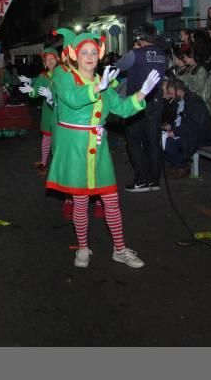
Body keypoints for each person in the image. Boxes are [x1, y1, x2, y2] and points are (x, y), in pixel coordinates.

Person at [46, 33, 161, 269]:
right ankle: (83, 248)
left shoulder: (104, 80)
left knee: (111, 200)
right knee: (80, 202)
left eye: (93, 52)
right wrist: (99, 86)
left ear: (98, 56)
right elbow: (71, 98)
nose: (89, 57)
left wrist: (142, 94)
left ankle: (120, 249)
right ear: (75, 55)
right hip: (75, 149)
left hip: (98, 149)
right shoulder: (63, 75)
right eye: (84, 52)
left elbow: (121, 108)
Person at [115, 24, 168, 192]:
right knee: (153, 141)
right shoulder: (162, 54)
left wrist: (134, 50)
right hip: (157, 100)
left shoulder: (135, 54)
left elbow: (119, 65)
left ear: (140, 38)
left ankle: (141, 180)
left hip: (137, 101)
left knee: (134, 141)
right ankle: (154, 180)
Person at [19, 47, 61, 173]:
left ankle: (58, 166)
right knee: (47, 138)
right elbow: (36, 91)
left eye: (52, 59)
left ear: (57, 59)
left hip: (62, 112)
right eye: (47, 60)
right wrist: (32, 90)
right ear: (44, 63)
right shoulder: (43, 76)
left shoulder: (65, 74)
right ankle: (43, 162)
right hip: (48, 112)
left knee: (59, 141)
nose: (50, 62)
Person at [161, 80, 211, 178]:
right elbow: (179, 119)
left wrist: (175, 132)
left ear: (179, 91)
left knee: (168, 144)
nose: (170, 96)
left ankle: (182, 165)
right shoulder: (181, 100)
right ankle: (177, 164)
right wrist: (171, 126)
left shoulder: (194, 102)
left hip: (198, 135)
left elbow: (194, 125)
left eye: (171, 93)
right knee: (158, 141)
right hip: (187, 131)